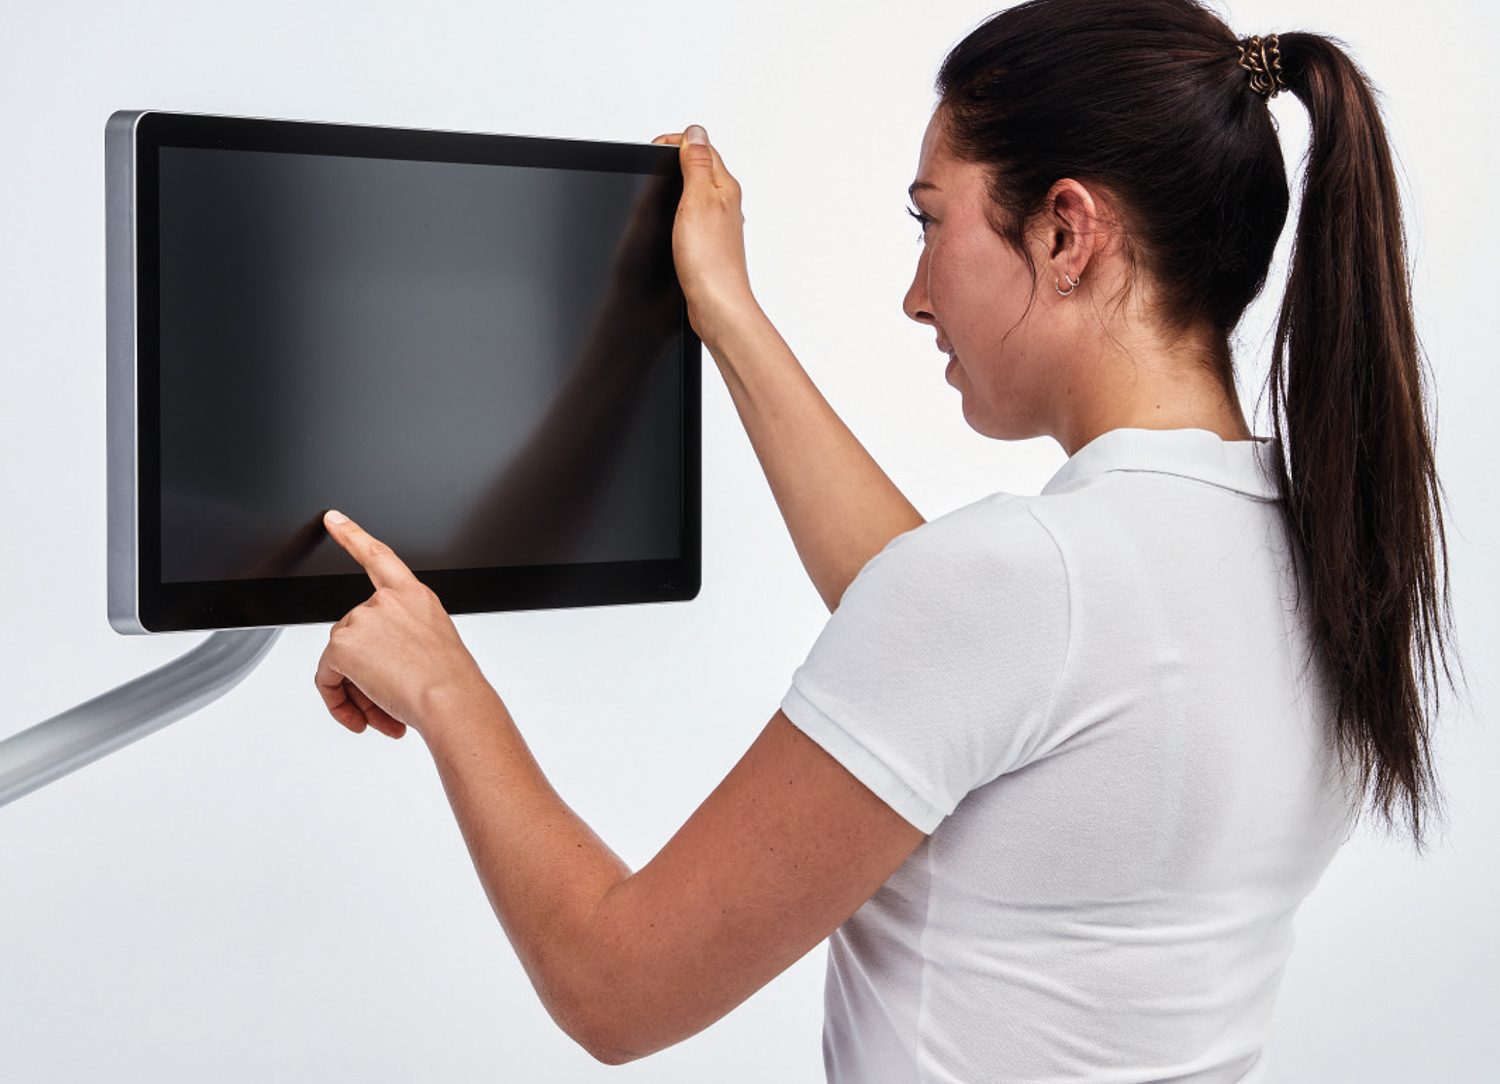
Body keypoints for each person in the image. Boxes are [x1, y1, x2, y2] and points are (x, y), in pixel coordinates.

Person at [311, 0, 1462, 1079]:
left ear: (1067, 231)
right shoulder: (1305, 550)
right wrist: (727, 311)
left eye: (931, 220)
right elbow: (958, 645)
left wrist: (442, 681)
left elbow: (614, 985)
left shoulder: (1028, 588)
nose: (917, 294)